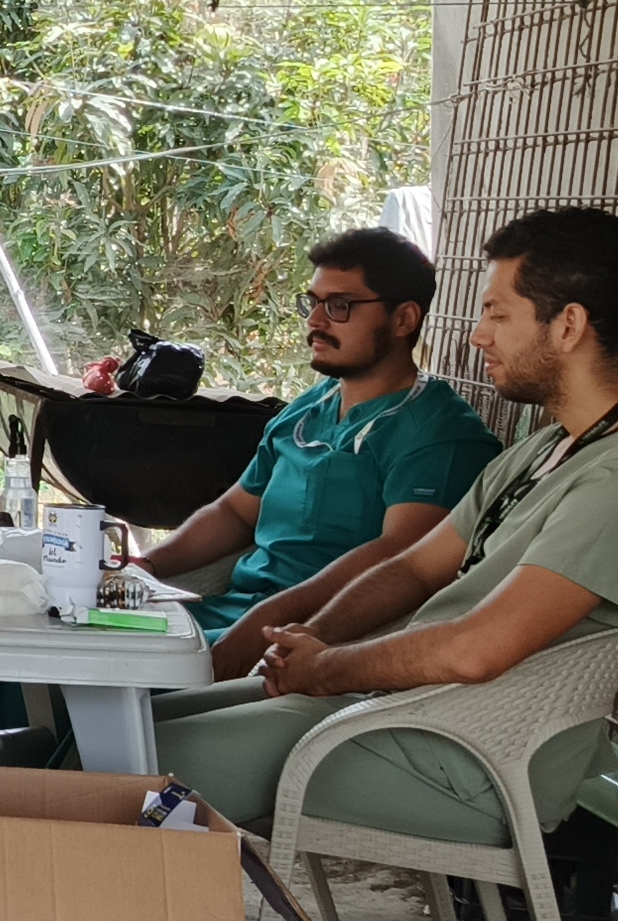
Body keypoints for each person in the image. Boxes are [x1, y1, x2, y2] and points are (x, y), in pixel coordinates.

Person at [144, 207, 618, 848]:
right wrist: (312, 641)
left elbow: (474, 651)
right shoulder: (552, 448)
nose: (478, 336)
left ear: (569, 325)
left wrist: (327, 668)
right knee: (121, 727)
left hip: (466, 761)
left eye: (498, 313)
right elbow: (415, 567)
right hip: (394, 713)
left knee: (135, 765)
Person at [144, 227, 502, 673]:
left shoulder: (442, 435)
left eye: (339, 306)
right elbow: (235, 512)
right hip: (225, 613)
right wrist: (144, 566)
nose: (315, 320)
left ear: (404, 319)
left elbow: (401, 559)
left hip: (301, 642)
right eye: (312, 302)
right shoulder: (310, 406)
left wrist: (259, 626)